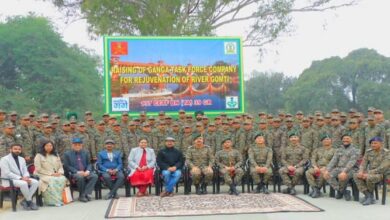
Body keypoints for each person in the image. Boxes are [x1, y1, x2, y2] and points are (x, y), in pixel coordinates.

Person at [0, 144, 39, 210]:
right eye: (15, 149)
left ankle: (25, 200)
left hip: (22, 179)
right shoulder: (4, 159)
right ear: (10, 150)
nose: (17, 150)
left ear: (21, 151)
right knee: (24, 183)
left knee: (35, 182)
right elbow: (7, 173)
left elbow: (25, 170)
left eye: (19, 149)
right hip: (9, 179)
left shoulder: (22, 159)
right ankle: (29, 201)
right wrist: (21, 178)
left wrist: (26, 177)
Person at [353, 137, 388, 205]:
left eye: (375, 143)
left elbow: (383, 167)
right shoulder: (369, 152)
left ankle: (369, 197)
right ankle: (368, 195)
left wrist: (368, 173)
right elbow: (363, 163)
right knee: (356, 175)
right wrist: (361, 171)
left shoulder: (386, 152)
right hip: (370, 172)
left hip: (381, 174)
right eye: (372, 143)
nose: (373, 145)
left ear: (381, 144)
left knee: (368, 177)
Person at [324, 133, 359, 201]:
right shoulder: (339, 149)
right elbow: (333, 160)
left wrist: (344, 171)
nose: (345, 140)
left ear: (351, 140)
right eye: (344, 139)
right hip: (339, 168)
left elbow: (352, 162)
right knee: (327, 175)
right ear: (342, 140)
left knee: (342, 176)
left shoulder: (355, 150)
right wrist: (327, 170)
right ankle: (344, 191)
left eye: (347, 139)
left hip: (351, 169)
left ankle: (340, 192)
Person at [63, 137, 98, 202]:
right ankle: (83, 195)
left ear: (82, 145)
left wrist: (88, 171)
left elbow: (89, 164)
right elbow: (67, 166)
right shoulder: (67, 154)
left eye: (79, 145)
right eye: (75, 145)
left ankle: (83, 194)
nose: (77, 146)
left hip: (85, 172)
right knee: (80, 177)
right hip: (75, 173)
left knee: (94, 176)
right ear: (72, 145)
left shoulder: (86, 152)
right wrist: (77, 171)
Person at [34, 139, 67, 206]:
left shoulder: (56, 155)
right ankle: (52, 201)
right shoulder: (39, 156)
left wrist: (60, 172)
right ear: (43, 147)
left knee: (63, 178)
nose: (49, 147)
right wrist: (51, 174)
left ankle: (60, 199)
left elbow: (60, 166)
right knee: (53, 180)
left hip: (56, 174)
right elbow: (38, 169)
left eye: (51, 146)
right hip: (43, 175)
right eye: (47, 146)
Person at [305, 134, 336, 198]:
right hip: (317, 167)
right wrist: (315, 166)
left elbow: (335, 161)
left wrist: (327, 167)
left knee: (323, 173)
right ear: (322, 141)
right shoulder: (317, 150)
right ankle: (315, 189)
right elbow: (313, 159)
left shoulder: (335, 150)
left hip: (328, 168)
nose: (326, 141)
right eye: (324, 140)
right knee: (308, 172)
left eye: (328, 139)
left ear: (331, 141)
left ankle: (317, 190)